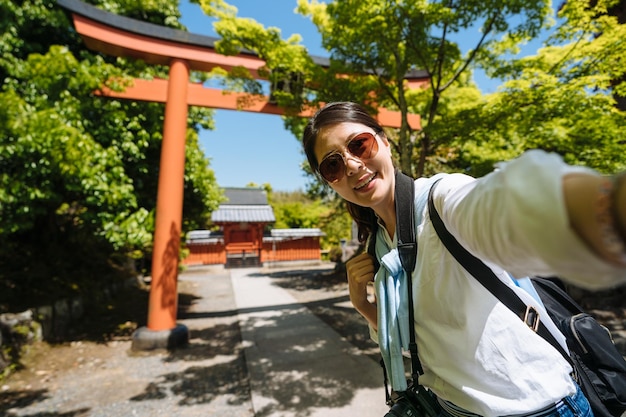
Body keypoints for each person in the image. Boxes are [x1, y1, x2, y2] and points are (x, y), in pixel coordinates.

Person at [301, 101, 626, 417]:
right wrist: (365, 307)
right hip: (452, 407)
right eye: (333, 164)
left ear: (385, 142)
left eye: (360, 145)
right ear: (328, 180)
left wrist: (599, 210)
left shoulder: (439, 200)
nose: (353, 165)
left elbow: (499, 211)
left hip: (535, 406)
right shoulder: (379, 243)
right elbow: (417, 337)